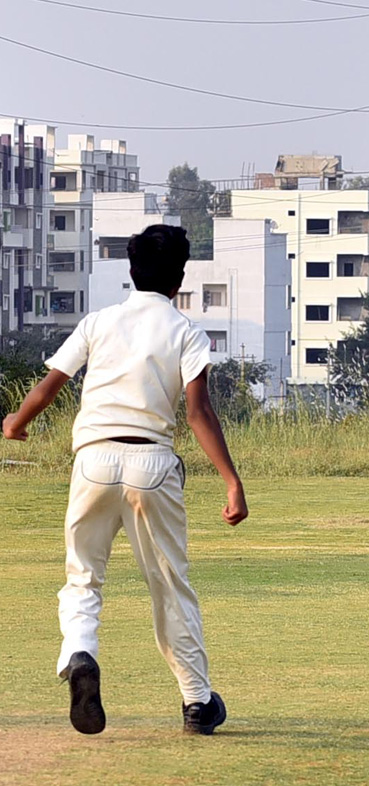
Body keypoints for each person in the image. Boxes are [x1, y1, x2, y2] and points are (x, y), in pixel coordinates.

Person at [2, 224, 248, 736]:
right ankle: (197, 702)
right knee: (169, 585)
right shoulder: (186, 332)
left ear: (130, 273)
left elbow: (50, 386)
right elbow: (200, 413)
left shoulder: (99, 322)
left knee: (83, 578)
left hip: (93, 461)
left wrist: (15, 424)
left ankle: (80, 655)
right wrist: (231, 481)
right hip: (153, 466)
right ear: (179, 278)